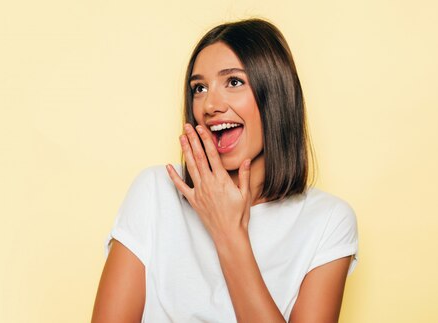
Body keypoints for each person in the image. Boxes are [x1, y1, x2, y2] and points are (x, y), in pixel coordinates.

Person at [92, 18, 358, 323]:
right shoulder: (155, 191)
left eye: (233, 82)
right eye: (199, 88)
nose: (209, 105)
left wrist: (229, 233)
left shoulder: (328, 221)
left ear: (276, 94)